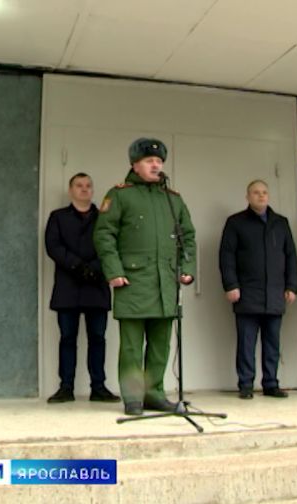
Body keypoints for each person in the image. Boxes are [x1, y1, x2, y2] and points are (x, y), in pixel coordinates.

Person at [93, 138, 196, 415]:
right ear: (135, 165)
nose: (156, 165)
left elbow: (187, 235)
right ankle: (133, 398)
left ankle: (154, 394)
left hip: (166, 281)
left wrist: (188, 269)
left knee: (161, 344)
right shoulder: (120, 195)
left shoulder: (173, 199)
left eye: (159, 161)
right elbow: (104, 234)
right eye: (150, 161)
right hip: (133, 281)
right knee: (131, 346)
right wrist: (114, 271)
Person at [219, 180, 297, 400]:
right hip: (247, 293)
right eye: (256, 193)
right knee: (246, 342)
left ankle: (271, 383)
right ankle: (245, 384)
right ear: (247, 196)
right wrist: (231, 285)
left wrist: (291, 286)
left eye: (264, 192)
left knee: (272, 342)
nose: (261, 196)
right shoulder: (236, 223)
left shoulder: (280, 223)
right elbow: (226, 256)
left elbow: (291, 255)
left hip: (274, 293)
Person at [44, 173, 119, 404]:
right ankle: (65, 387)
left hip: (96, 286)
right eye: (79, 185)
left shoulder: (104, 217)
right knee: (67, 338)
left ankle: (99, 387)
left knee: (98, 338)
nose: (84, 189)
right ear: (70, 190)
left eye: (88, 186)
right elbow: (53, 246)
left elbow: (113, 244)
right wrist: (78, 266)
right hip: (68, 287)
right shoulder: (57, 217)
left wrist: (95, 268)